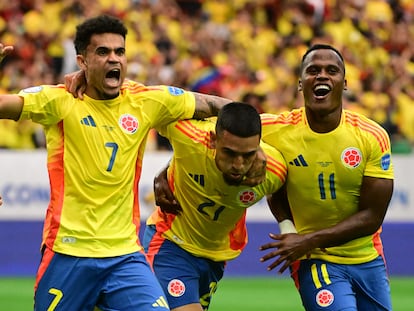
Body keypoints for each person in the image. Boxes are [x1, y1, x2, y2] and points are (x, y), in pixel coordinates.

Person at [0, 14, 246, 311]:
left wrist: (251, 139)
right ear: (82, 61)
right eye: (102, 52)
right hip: (68, 252)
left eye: (120, 52)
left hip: (125, 256)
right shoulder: (59, 101)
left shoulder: (146, 100)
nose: (114, 59)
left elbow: (223, 108)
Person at [259, 44, 394, 310]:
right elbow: (223, 125)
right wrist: (166, 174)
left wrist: (307, 239)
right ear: (301, 84)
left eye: (331, 70)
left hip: (367, 257)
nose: (322, 75)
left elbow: (372, 217)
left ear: (344, 83)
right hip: (314, 258)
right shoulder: (274, 129)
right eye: (313, 70)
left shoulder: (371, 136)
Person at [143, 102, 288, 311]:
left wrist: (287, 227)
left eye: (248, 155)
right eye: (229, 153)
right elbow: (150, 107)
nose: (238, 165)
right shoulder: (188, 135)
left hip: (215, 257)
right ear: (212, 140)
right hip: (170, 241)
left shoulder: (274, 170)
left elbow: (285, 192)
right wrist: (164, 172)